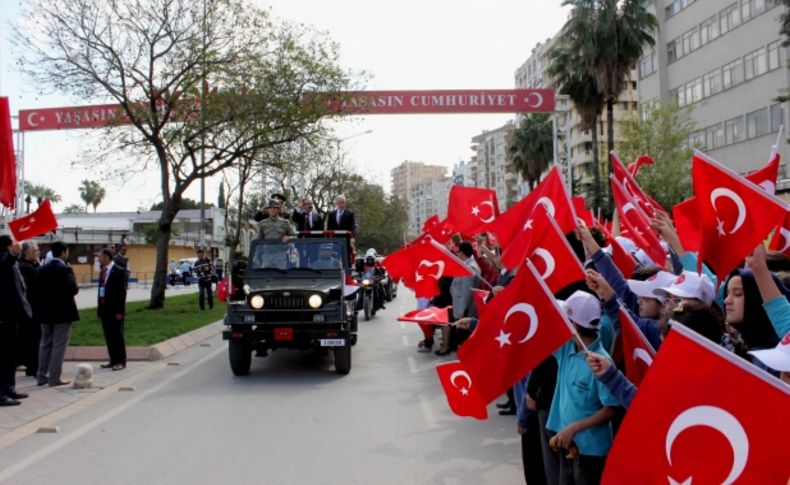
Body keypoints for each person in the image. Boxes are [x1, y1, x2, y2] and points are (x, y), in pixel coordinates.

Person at [547, 290, 619, 485]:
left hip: (591, 450)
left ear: (575, 326)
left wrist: (575, 428)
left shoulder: (601, 363)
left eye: (565, 319)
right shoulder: (567, 348)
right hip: (566, 440)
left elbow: (611, 409)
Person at [34, 240, 79, 387]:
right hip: (63, 313)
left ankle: (41, 375)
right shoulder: (65, 269)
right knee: (59, 345)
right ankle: (54, 378)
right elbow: (74, 290)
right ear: (63, 252)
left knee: (45, 343)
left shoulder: (41, 269)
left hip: (45, 313)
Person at [0, 235, 32, 406]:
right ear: (7, 247)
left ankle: (9, 388)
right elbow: (5, 264)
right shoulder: (3, 259)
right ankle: (1, 393)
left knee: (11, 355)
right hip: (4, 316)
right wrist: (12, 255)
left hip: (13, 315)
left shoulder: (11, 261)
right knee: (3, 355)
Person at [435, 241, 480, 356]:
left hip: (465, 307)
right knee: (461, 333)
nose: (457, 253)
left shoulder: (469, 267)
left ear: (463, 253)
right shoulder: (465, 265)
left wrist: (461, 311)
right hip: (460, 304)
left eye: (458, 251)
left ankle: (464, 357)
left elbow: (466, 292)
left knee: (463, 334)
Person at [97, 248, 127, 371]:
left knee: (117, 336)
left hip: (115, 310)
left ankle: (121, 361)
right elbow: (100, 291)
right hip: (105, 309)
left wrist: (120, 311)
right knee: (109, 335)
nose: (99, 259)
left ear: (107, 257)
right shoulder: (103, 271)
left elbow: (122, 293)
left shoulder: (118, 271)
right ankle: (113, 359)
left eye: (100, 257)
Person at [17, 241, 41, 377]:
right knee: (32, 338)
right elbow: (37, 278)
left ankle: (32, 365)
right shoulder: (25, 267)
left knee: (34, 338)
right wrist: (38, 264)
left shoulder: (31, 265)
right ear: (26, 252)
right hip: (29, 308)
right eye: (35, 250)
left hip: (34, 307)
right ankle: (32, 366)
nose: (37, 252)